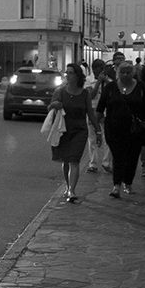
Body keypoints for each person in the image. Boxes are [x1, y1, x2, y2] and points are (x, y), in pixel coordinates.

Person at [96, 61, 145, 198]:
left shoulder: (141, 88)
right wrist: (95, 125)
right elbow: (100, 108)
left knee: (132, 157)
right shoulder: (110, 88)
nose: (125, 75)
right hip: (114, 129)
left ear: (133, 74)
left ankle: (128, 182)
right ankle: (116, 186)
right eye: (122, 72)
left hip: (135, 131)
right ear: (118, 73)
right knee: (118, 156)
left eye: (128, 72)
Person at [47, 63, 101, 203]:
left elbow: (90, 112)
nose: (68, 75)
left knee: (74, 160)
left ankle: (72, 190)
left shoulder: (84, 94)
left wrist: (98, 130)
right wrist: (55, 105)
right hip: (64, 130)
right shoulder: (60, 91)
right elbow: (50, 107)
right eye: (67, 73)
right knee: (66, 160)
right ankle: (68, 186)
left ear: (77, 76)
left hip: (79, 131)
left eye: (71, 73)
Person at [85, 58, 112, 173]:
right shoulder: (88, 80)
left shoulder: (108, 80)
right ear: (94, 69)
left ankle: (106, 162)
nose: (103, 71)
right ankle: (93, 163)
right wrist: (98, 83)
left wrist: (105, 81)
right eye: (101, 69)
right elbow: (90, 96)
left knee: (108, 138)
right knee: (92, 138)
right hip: (92, 110)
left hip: (105, 111)